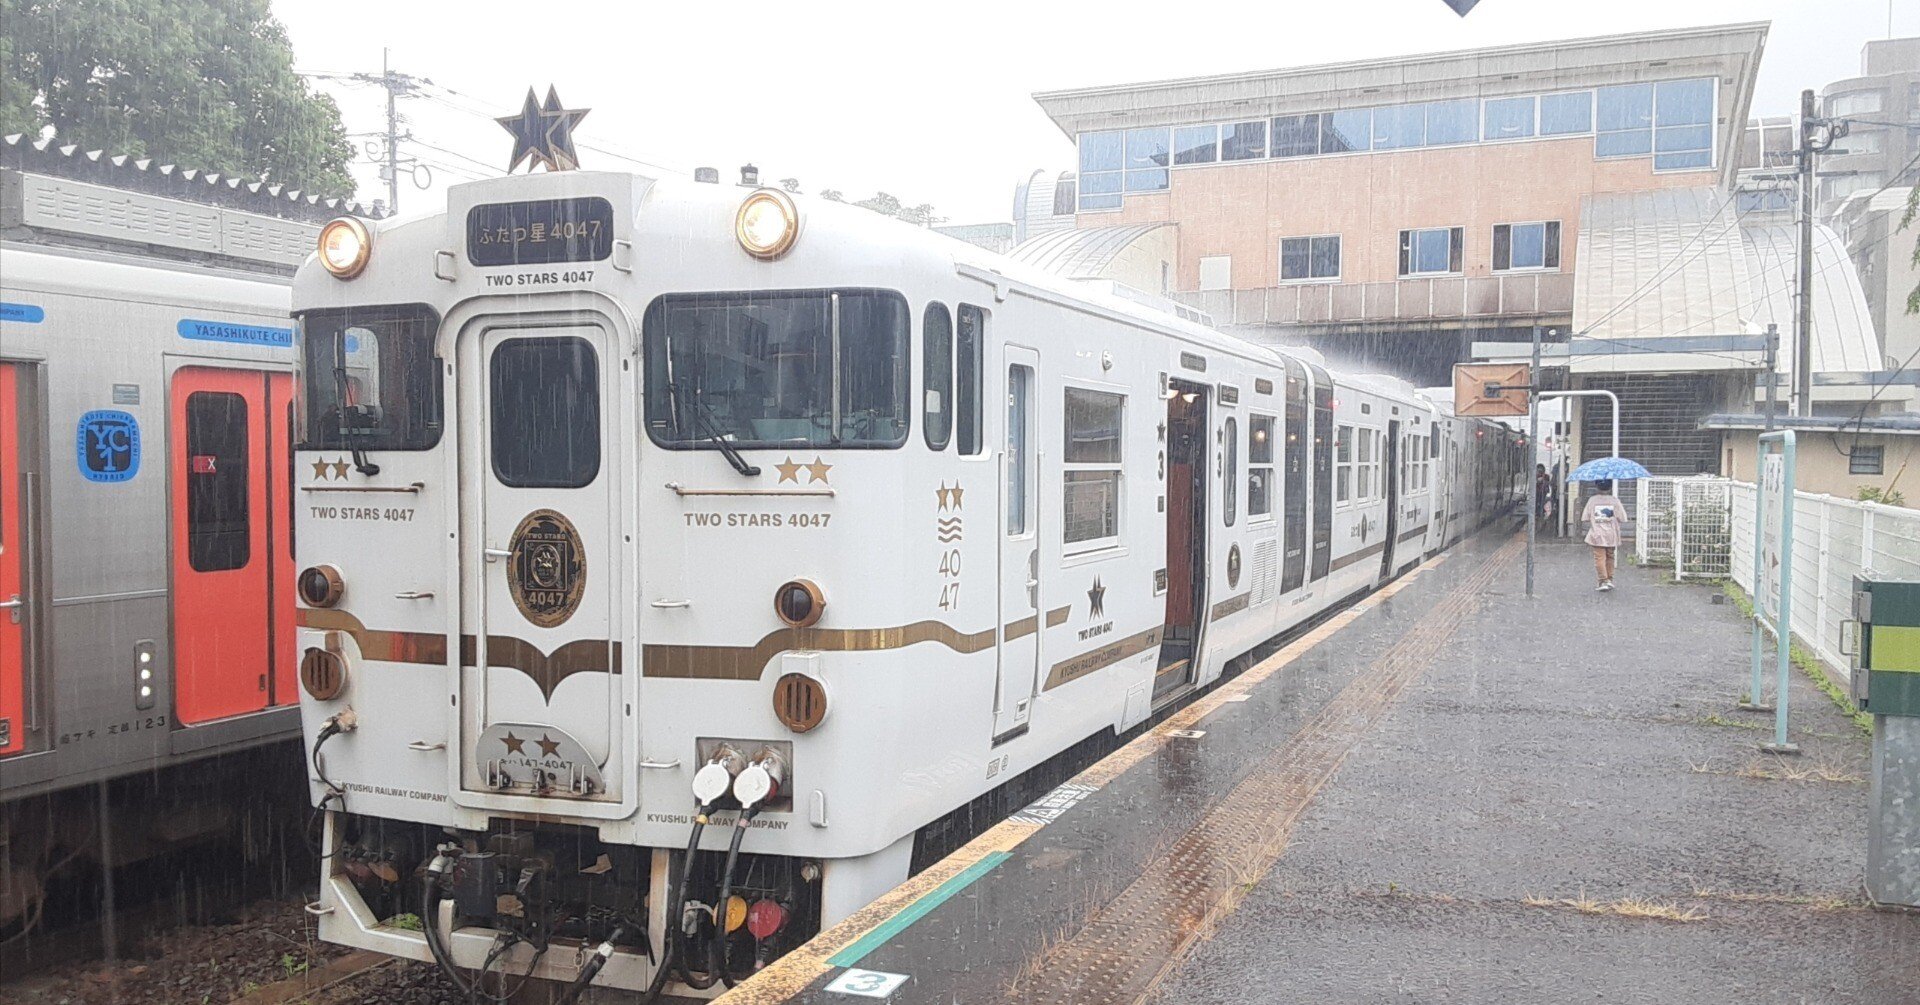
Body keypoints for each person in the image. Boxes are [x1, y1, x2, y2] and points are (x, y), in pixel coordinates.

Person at [1581, 479, 1625, 592]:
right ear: (1610, 487)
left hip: (1597, 534)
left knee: (1599, 557)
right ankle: (1609, 579)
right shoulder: (1614, 500)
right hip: (1611, 534)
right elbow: (1622, 517)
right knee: (1610, 556)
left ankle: (1603, 580)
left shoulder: (1592, 500)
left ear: (1596, 487)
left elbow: (1585, 517)